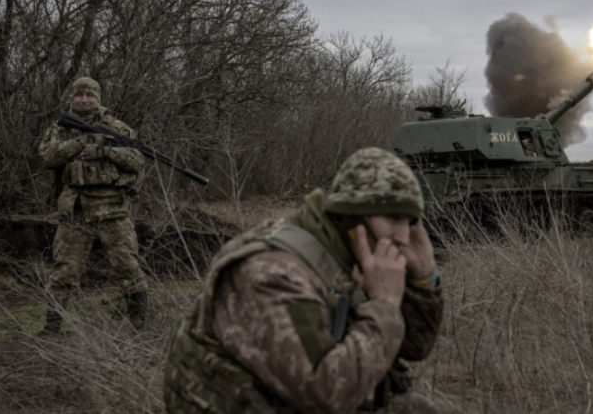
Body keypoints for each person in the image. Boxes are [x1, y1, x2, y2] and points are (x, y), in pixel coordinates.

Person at [164, 147, 444, 414]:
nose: (404, 237)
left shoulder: (352, 254)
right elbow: (325, 397)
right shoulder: (273, 273)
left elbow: (414, 346)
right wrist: (384, 305)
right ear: (352, 216)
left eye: (409, 222)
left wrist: (424, 277)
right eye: (394, 219)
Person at [38, 77, 147, 333]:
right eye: (80, 95)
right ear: (73, 98)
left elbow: (137, 161)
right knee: (64, 271)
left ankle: (139, 325)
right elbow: (48, 156)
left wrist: (106, 151)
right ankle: (51, 330)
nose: (84, 99)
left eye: (90, 95)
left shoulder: (116, 128)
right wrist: (80, 143)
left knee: (127, 267)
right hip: (75, 209)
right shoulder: (60, 129)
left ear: (98, 99)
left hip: (113, 208)